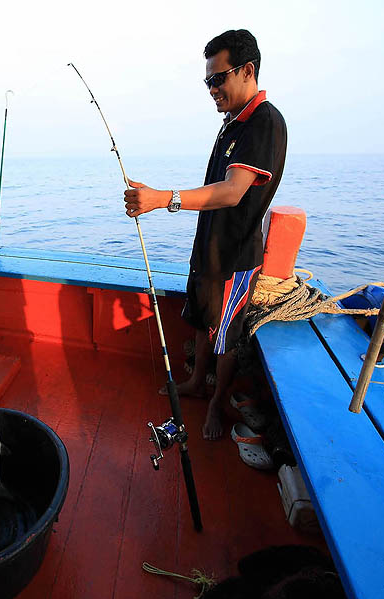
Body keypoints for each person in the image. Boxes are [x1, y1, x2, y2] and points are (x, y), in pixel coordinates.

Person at [123, 29, 287, 440]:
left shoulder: (264, 122)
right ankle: (197, 382)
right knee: (200, 315)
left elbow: (233, 192)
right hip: (208, 249)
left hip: (235, 257)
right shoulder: (233, 123)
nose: (212, 89)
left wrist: (162, 198)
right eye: (208, 81)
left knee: (226, 336)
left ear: (248, 70)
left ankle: (216, 405)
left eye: (219, 78)